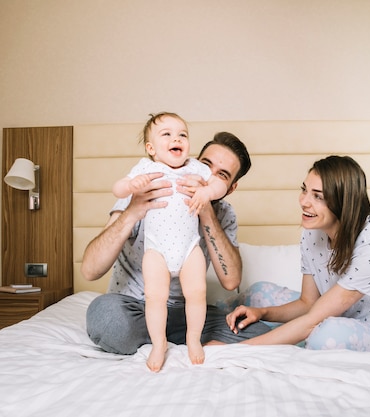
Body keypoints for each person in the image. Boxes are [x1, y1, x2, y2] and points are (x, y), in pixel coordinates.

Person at [82, 117, 271, 371]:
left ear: (230, 187)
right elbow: (90, 270)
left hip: (187, 311)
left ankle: (184, 338)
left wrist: (206, 210)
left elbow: (231, 281)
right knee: (108, 319)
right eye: (207, 165)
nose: (209, 176)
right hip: (135, 307)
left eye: (222, 175)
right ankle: (161, 340)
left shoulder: (224, 212)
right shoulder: (148, 188)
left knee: (257, 332)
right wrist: (132, 211)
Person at [225, 155, 370, 353]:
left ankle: (276, 339)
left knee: (325, 335)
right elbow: (308, 303)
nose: (304, 202)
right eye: (304, 190)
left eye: (318, 196)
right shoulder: (312, 234)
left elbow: (311, 321)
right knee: (258, 294)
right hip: (342, 316)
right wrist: (262, 313)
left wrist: (236, 350)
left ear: (343, 203)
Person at [109, 112, 228, 371]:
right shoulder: (146, 168)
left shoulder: (196, 167)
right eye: (167, 134)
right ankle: (159, 343)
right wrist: (132, 184)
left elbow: (219, 185)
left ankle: (193, 339)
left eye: (182, 134)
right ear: (151, 149)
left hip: (189, 249)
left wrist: (207, 191)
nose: (177, 139)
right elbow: (117, 189)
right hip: (156, 250)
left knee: (197, 294)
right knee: (155, 297)